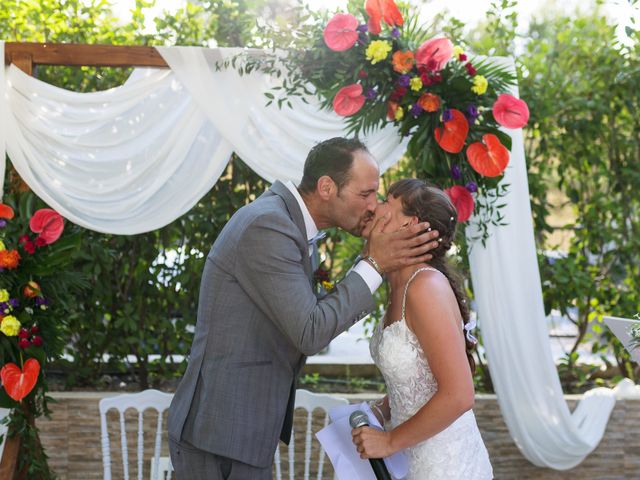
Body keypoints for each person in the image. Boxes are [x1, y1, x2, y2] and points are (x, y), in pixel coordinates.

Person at [167, 138, 440, 480]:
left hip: (237, 430)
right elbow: (310, 331)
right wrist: (373, 264)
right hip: (220, 431)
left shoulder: (289, 225)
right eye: (365, 193)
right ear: (327, 187)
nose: (373, 205)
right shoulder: (269, 226)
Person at [352, 178, 493, 479]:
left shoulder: (424, 287)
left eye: (387, 201)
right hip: (413, 459)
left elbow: (459, 394)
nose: (375, 206)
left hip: (446, 466)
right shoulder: (398, 286)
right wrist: (381, 411)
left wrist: (389, 441)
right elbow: (419, 377)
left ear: (410, 225)